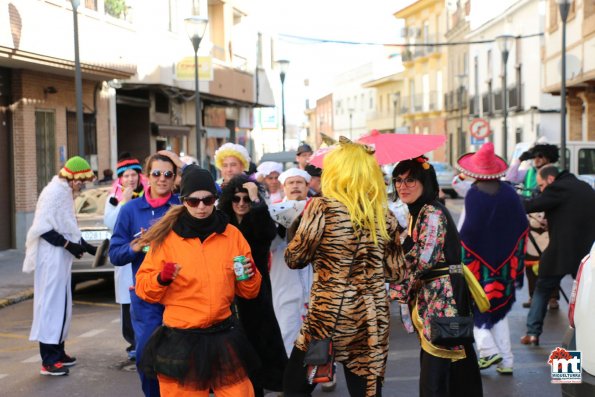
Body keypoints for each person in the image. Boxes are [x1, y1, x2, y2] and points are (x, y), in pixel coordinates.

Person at [283, 137, 404, 397]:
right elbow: (397, 272)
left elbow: (295, 259)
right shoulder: (385, 215)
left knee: (294, 388)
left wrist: (298, 229)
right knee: (367, 392)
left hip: (328, 317)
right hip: (370, 319)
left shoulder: (322, 208)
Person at [134, 165, 262, 396]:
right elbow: (144, 289)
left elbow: (249, 292)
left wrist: (251, 274)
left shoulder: (232, 235)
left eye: (207, 200)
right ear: (183, 201)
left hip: (223, 333)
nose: (201, 206)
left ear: (215, 199)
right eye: (194, 201)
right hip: (180, 338)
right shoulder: (166, 239)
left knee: (242, 393)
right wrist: (161, 279)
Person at [389, 156, 483, 397]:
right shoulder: (417, 212)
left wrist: (393, 249)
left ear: (425, 182)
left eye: (411, 180)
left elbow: (423, 259)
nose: (403, 186)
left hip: (444, 299)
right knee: (447, 364)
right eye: (398, 180)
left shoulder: (431, 212)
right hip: (434, 297)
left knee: (439, 365)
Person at [109, 153, 180, 397]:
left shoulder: (184, 207)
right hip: (147, 297)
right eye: (156, 174)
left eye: (168, 174)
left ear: (175, 178)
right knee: (146, 357)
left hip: (180, 295)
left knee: (179, 358)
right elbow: (115, 254)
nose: (162, 179)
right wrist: (136, 246)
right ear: (146, 177)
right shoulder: (130, 210)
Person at [456, 143, 529, 375]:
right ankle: (507, 361)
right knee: (498, 308)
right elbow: (521, 225)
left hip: (478, 265)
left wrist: (459, 253)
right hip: (506, 264)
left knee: (475, 306)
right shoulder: (509, 192)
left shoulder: (474, 195)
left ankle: (488, 350)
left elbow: (467, 231)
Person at [23, 156, 97, 376]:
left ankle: (59, 351)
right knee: (51, 306)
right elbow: (43, 228)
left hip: (60, 259)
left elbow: (68, 227)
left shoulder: (65, 193)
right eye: (81, 181)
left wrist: (89, 247)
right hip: (51, 258)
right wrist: (68, 245)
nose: (82, 186)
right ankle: (48, 360)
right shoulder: (54, 192)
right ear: (72, 177)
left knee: (63, 305)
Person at [218, 174, 288, 396]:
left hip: (257, 292)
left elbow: (268, 233)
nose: (241, 203)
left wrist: (257, 199)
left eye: (246, 199)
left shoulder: (258, 218)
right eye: (236, 199)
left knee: (260, 343)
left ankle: (260, 386)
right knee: (234, 348)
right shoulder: (222, 222)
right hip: (228, 293)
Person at [520, 165, 595, 345]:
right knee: (586, 294)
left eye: (541, 186)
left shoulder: (557, 187)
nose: (541, 190)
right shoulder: (584, 187)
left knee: (542, 289)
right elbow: (571, 214)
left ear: (550, 179)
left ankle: (533, 332)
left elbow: (531, 205)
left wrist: (511, 198)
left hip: (560, 252)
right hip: (587, 252)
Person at [506, 142, 560, 308]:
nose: (537, 160)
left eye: (540, 156)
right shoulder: (528, 172)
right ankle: (533, 297)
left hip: (549, 221)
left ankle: (552, 297)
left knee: (550, 262)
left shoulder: (554, 175)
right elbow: (510, 178)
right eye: (535, 156)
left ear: (548, 158)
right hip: (531, 220)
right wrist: (520, 159)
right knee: (530, 263)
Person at [103, 156, 147, 361]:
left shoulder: (148, 195)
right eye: (125, 176)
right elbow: (110, 222)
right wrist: (124, 203)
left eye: (133, 175)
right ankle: (132, 342)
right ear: (120, 179)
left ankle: (146, 341)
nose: (130, 179)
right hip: (125, 255)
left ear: (139, 176)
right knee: (127, 301)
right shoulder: (113, 199)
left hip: (146, 256)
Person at [268, 168, 313, 357]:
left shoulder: (318, 208)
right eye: (291, 183)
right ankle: (290, 377)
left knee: (318, 330)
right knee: (286, 330)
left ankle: (326, 371)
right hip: (284, 282)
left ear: (307, 186)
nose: (295, 186)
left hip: (314, 280)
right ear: (284, 187)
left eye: (299, 182)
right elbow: (269, 243)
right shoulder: (273, 210)